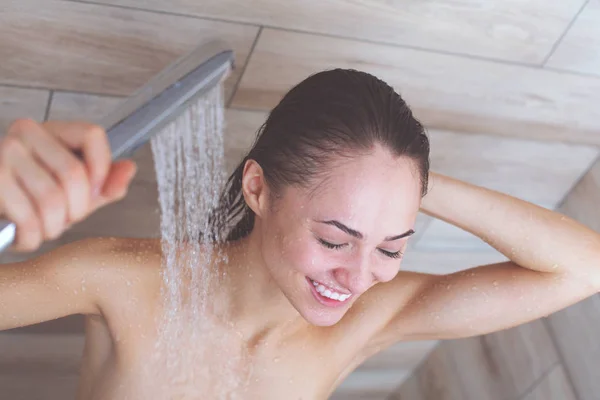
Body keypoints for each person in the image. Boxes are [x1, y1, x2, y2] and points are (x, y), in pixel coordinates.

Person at [1, 69, 599, 399]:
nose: (361, 277)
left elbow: (583, 269)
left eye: (392, 246)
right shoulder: (124, 282)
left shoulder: (368, 318)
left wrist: (404, 179)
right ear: (258, 189)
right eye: (336, 240)